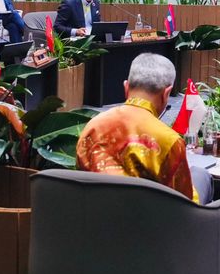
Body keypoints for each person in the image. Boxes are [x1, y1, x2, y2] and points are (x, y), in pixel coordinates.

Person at [75, 53, 211, 203]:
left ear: (126, 87)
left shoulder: (92, 127)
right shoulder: (168, 140)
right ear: (166, 93)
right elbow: (185, 204)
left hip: (94, 213)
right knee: (201, 175)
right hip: (148, 217)